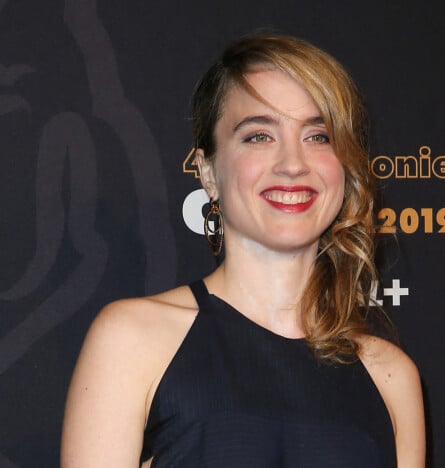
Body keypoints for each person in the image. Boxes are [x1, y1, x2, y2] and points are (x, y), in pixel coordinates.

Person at [61, 33, 425, 467]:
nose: (293, 164)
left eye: (319, 136)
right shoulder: (133, 338)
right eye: (258, 136)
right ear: (208, 171)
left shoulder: (390, 377)